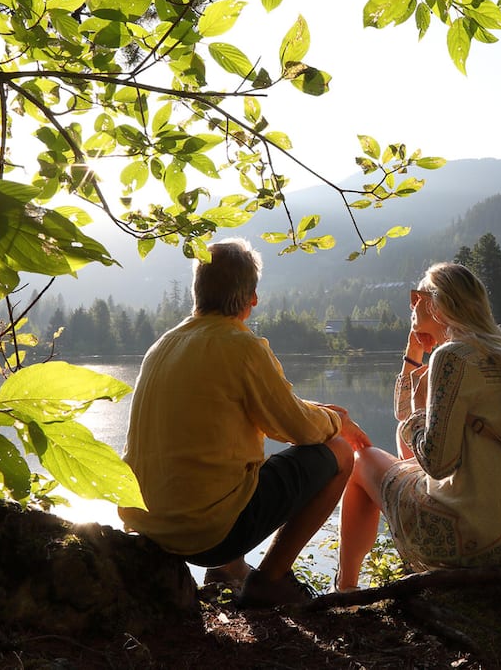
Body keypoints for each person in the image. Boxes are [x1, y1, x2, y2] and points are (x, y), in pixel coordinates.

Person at [118, 238, 370, 608]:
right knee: (338, 453)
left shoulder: (164, 346)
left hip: (147, 523)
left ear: (198, 291)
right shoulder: (242, 347)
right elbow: (296, 429)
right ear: (252, 298)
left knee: (228, 467)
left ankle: (225, 570)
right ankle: (272, 578)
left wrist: (317, 412)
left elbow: (276, 410)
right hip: (204, 534)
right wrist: (338, 422)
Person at [335, 262, 501, 590]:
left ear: (437, 304)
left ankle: (345, 588)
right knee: (401, 435)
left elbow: (438, 464)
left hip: (476, 539)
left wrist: (422, 412)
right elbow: (401, 415)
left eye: (417, 298)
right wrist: (413, 356)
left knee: (360, 461)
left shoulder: (453, 358)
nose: (412, 306)